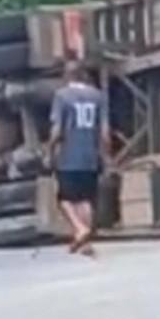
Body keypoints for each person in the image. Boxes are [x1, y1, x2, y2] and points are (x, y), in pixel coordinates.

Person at [46, 60, 110, 255]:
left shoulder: (62, 96)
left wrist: (50, 148)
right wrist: (106, 154)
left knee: (64, 199)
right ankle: (84, 241)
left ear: (66, 76)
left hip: (69, 155)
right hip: (90, 156)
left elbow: (57, 129)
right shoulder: (98, 96)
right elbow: (105, 131)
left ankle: (80, 229)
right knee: (85, 199)